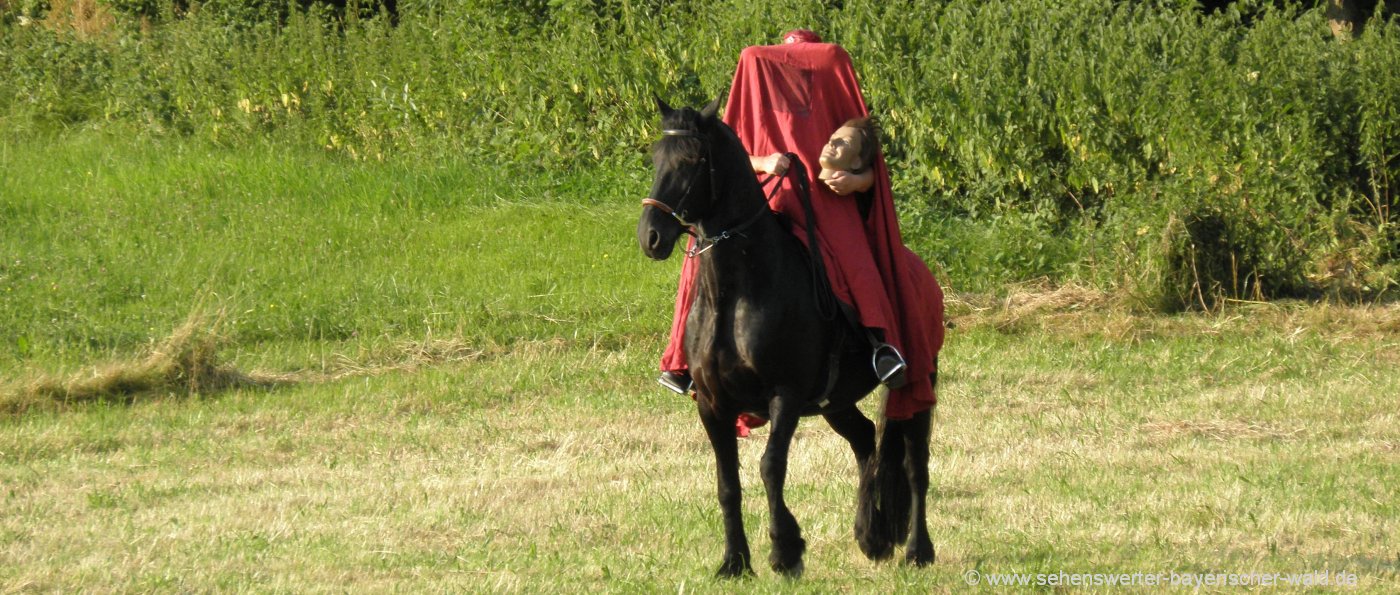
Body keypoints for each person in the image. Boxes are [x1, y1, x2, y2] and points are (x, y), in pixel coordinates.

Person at [657, 29, 943, 428]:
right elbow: (732, 154)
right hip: (763, 196)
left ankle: (881, 346)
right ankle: (682, 358)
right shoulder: (756, 75)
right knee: (699, 259)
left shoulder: (839, 103)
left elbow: (871, 171)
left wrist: (854, 182)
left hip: (824, 202)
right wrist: (765, 162)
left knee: (854, 264)